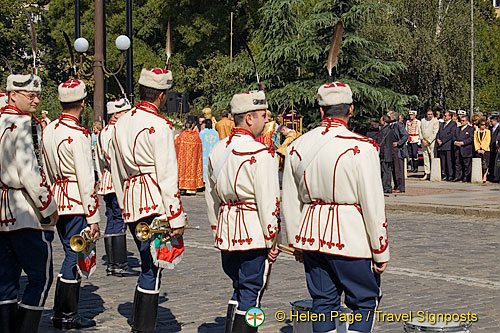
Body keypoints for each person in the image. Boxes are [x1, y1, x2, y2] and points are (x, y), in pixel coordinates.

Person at [282, 82, 389, 333]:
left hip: (311, 236)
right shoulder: (362, 147)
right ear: (351, 109)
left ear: (321, 111)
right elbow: (372, 202)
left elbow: (290, 199)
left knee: (323, 303)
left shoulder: (297, 146)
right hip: (350, 237)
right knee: (364, 302)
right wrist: (380, 249)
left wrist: (296, 241)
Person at [110, 68, 186, 332]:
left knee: (147, 263)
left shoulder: (119, 123)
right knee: (154, 265)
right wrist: (176, 216)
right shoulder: (161, 126)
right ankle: (144, 327)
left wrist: (122, 201)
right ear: (162, 95)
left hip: (131, 199)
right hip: (154, 202)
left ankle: (140, 323)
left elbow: (117, 170)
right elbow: (166, 175)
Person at [205, 90, 280, 333]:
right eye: (262, 116)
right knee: (252, 293)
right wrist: (272, 238)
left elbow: (211, 198)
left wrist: (217, 228)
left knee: (238, 286)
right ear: (249, 118)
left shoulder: (217, 150)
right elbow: (269, 201)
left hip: (227, 230)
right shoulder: (261, 152)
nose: (266, 121)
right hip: (253, 231)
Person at [0, 74, 58, 332]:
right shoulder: (22, 123)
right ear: (13, 95)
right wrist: (48, 207)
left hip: (3, 210)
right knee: (40, 277)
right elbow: (29, 172)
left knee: (6, 280)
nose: (35, 100)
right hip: (23, 209)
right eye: (30, 96)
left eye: (37, 95)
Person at [42, 79, 100, 329]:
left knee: (69, 252)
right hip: (76, 200)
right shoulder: (78, 134)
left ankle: (62, 312)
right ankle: (66, 314)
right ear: (83, 104)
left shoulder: (49, 129)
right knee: (75, 255)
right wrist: (93, 216)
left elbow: (44, 166)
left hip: (58, 196)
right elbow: (86, 177)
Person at [96, 98, 138, 277]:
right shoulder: (119, 131)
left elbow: (98, 160)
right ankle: (119, 264)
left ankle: (113, 263)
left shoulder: (103, 132)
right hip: (118, 180)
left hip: (107, 179)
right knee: (120, 220)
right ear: (116, 114)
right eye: (124, 112)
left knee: (112, 220)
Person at [175, 119, 204, 194]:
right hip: (193, 159)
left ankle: (182, 187)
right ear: (193, 125)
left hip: (183, 159)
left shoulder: (182, 135)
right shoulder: (196, 137)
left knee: (183, 172)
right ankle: (191, 189)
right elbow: (200, 148)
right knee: (192, 171)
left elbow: (176, 145)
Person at [388, 111, 408, 193]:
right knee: (394, 168)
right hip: (392, 149)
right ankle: (396, 185)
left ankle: (400, 187)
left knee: (398, 168)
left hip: (398, 150)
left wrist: (399, 143)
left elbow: (405, 135)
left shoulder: (399, 125)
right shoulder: (391, 126)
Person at [436, 111, 457, 181]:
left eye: (446, 116)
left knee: (449, 161)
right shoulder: (442, 124)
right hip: (441, 146)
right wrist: (438, 139)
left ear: (450, 117)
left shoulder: (453, 124)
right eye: (444, 116)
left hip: (448, 145)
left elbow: (451, 134)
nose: (444, 117)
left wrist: (443, 141)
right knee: (443, 161)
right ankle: (444, 174)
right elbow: (438, 132)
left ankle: (450, 175)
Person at [452, 115, 474, 182]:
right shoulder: (457, 129)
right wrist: (456, 142)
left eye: (463, 120)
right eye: (461, 120)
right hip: (458, 149)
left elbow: (471, 138)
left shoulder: (471, 129)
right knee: (458, 164)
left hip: (466, 149)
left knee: (466, 164)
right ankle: (458, 176)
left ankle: (466, 177)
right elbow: (454, 137)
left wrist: (463, 142)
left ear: (467, 121)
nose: (462, 122)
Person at [419, 109, 439, 180]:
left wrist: (429, 141)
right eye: (428, 114)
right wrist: (422, 139)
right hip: (424, 141)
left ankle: (433, 173)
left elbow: (435, 132)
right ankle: (427, 173)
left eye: (431, 114)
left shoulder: (436, 121)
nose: (429, 116)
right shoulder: (423, 120)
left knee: (432, 157)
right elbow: (420, 130)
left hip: (431, 142)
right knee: (425, 157)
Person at [199, 119, 219, 183]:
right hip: (213, 152)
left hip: (204, 152)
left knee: (204, 166)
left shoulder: (202, 132)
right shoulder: (215, 133)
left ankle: (204, 180)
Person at [379, 115, 394, 195]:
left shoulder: (383, 130)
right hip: (390, 152)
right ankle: (388, 187)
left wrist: (381, 153)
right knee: (388, 171)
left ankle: (385, 187)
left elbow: (382, 143)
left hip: (385, 153)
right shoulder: (391, 129)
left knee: (385, 171)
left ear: (384, 121)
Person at [488, 115, 499, 182]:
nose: (490, 123)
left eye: (491, 121)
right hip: (491, 148)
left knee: (497, 163)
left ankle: (496, 176)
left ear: (495, 121)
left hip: (497, 148)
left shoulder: (498, 128)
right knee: (491, 162)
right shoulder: (490, 128)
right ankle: (491, 175)